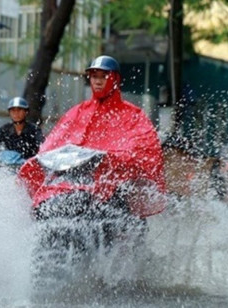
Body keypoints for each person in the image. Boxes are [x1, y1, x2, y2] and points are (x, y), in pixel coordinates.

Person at [19, 55, 166, 219]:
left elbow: (144, 152)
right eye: (94, 76)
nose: (98, 81)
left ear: (115, 79)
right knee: (42, 208)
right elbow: (52, 145)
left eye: (104, 76)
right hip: (72, 184)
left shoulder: (133, 116)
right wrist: (39, 159)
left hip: (113, 186)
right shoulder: (77, 112)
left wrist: (112, 159)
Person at [0, 97, 44, 164]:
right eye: (13, 111)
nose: (16, 113)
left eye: (19, 110)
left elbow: (42, 146)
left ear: (26, 112)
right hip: (9, 166)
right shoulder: (5, 129)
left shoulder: (34, 129)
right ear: (9, 113)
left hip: (28, 166)